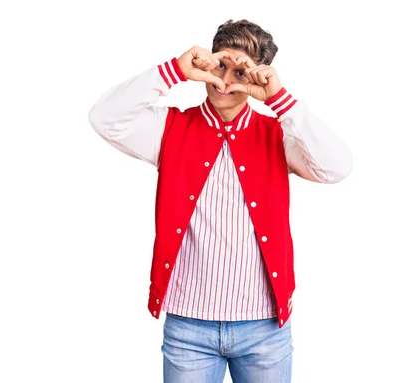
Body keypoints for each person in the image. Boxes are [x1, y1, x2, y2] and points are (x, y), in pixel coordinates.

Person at [88, 19, 353, 383]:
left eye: (240, 71)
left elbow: (336, 167)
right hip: (188, 328)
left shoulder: (277, 136)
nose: (226, 81)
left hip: (264, 328)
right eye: (221, 66)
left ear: (258, 76)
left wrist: (279, 100)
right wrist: (175, 71)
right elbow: (104, 118)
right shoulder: (170, 129)